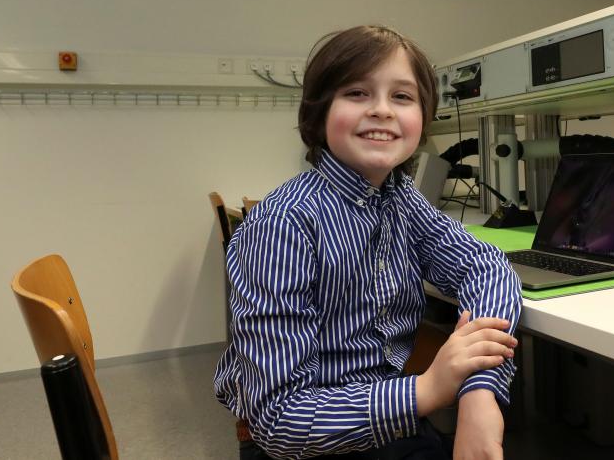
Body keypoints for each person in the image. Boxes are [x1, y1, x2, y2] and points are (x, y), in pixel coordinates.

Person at [214, 25, 523, 460]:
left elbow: (484, 266)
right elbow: (281, 421)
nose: (381, 110)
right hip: (309, 440)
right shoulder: (284, 224)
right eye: (357, 93)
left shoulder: (398, 195)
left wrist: (478, 390)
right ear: (319, 112)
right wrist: (429, 388)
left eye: (402, 96)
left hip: (389, 414)